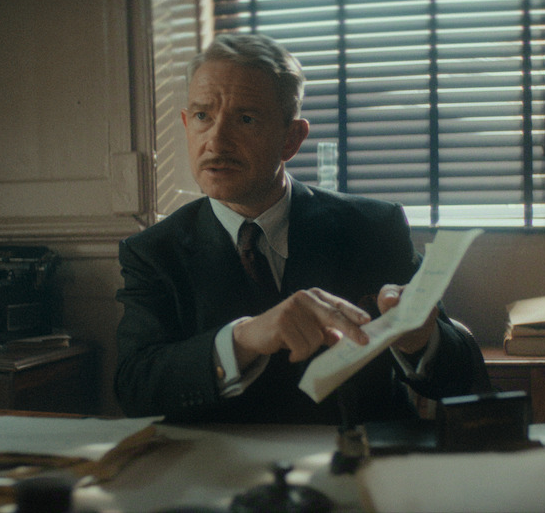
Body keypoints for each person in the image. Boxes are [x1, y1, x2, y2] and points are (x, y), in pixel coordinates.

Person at [114, 33, 484, 424]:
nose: (216, 140)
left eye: (245, 119)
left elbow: (462, 380)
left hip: (357, 466)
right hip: (221, 475)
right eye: (203, 116)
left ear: (292, 139)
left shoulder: (373, 227)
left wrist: (421, 341)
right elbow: (135, 389)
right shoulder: (153, 251)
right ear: (187, 125)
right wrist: (243, 340)